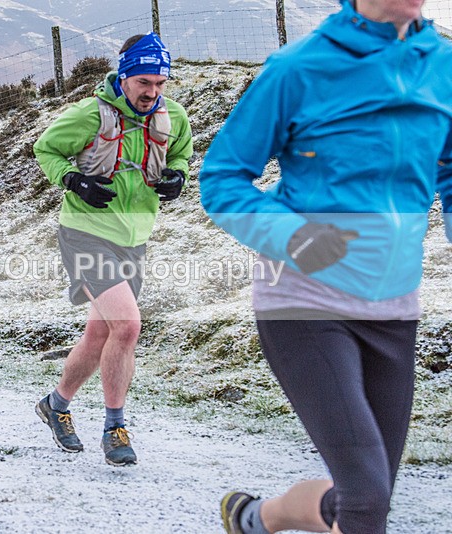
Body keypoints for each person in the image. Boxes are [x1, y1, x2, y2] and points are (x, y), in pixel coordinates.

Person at [199, 0, 452, 532]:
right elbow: (222, 178)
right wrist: (293, 235)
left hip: (393, 305)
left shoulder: (443, 67)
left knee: (369, 494)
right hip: (303, 299)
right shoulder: (299, 68)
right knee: (364, 498)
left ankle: (256, 517)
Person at [33, 32, 193, 466]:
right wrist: (73, 180)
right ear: (123, 77)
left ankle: (56, 404)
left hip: (134, 238)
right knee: (127, 326)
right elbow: (45, 149)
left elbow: (181, 153)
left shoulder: (173, 115)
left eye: (160, 83)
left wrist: (177, 176)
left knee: (101, 332)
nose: (152, 92)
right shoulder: (89, 114)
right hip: (84, 233)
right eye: (144, 82)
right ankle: (115, 426)